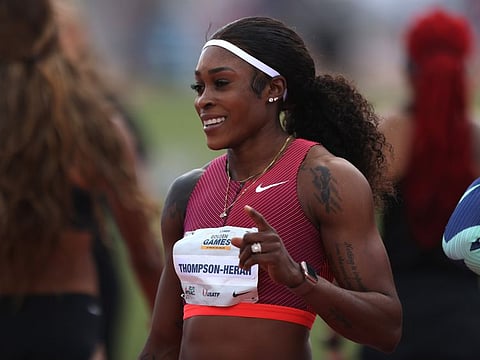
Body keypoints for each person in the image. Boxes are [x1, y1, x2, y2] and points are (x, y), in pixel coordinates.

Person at [139, 16, 402, 360]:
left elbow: (386, 329)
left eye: (220, 83)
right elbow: (162, 345)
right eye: (199, 87)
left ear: (273, 89)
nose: (203, 101)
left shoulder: (324, 180)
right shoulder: (186, 193)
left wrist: (297, 277)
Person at [0, 1, 163, 359]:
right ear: (51, 36)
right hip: (68, 323)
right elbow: (145, 254)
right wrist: (170, 338)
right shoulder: (95, 126)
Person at [359, 8, 480, 360]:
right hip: (464, 323)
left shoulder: (389, 133)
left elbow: (349, 229)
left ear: (408, 69)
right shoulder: (474, 140)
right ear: (464, 73)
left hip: (392, 319)